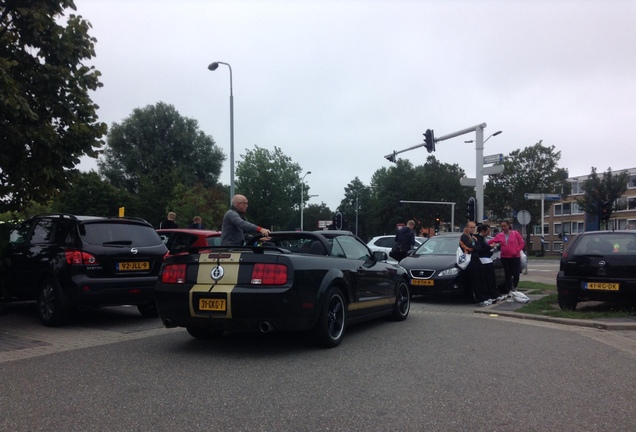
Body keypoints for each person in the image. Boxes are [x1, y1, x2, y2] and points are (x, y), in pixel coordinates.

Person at [488, 220, 525, 294]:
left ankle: (515, 287)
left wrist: (516, 250)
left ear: (508, 226)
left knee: (516, 273)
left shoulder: (515, 233)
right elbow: (492, 241)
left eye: (505, 226)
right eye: (502, 226)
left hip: (515, 256)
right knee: (507, 274)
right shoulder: (500, 235)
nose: (503, 228)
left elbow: (522, 243)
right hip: (505, 257)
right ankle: (509, 290)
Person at [460, 221, 491, 306]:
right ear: (467, 227)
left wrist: (475, 247)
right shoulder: (464, 236)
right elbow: (471, 247)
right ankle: (480, 299)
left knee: (481, 279)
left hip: (476, 258)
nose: (473, 229)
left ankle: (481, 298)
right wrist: (474, 247)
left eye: (474, 227)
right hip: (470, 260)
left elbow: (478, 247)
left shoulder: (473, 237)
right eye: (471, 227)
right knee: (476, 280)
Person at [475, 224, 505, 302]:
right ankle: (488, 296)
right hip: (483, 261)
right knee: (487, 280)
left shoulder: (484, 239)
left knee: (492, 279)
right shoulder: (478, 239)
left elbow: (486, 251)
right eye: (488, 231)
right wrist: (489, 247)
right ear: (482, 231)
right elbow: (481, 250)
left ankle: (494, 294)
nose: (489, 233)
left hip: (488, 260)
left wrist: (493, 249)